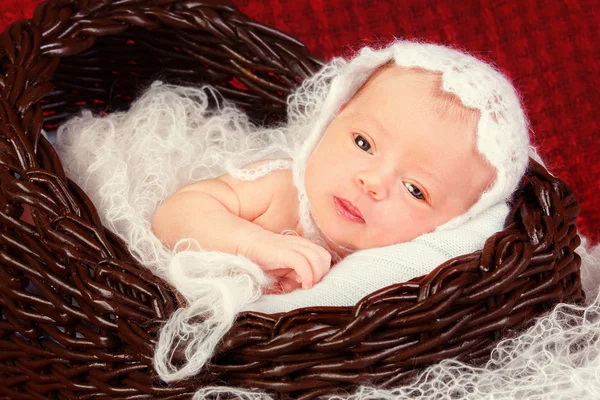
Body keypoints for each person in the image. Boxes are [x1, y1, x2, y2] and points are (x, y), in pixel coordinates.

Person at [151, 50, 519, 294]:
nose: (372, 182)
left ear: (450, 226)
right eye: (363, 143)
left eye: (415, 189)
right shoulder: (280, 190)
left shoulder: (403, 272)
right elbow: (175, 214)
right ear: (333, 120)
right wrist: (255, 244)